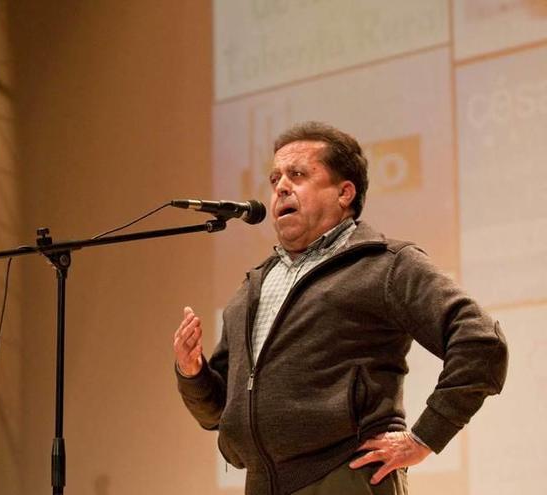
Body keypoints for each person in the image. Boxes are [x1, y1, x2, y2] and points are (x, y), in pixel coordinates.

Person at [173, 121, 508, 495]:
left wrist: (425, 437)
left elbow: (481, 343)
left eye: (297, 174)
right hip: (262, 484)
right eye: (274, 178)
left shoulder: (386, 265)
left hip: (345, 477)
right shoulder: (251, 290)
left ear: (345, 192)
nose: (281, 186)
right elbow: (218, 412)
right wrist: (193, 374)